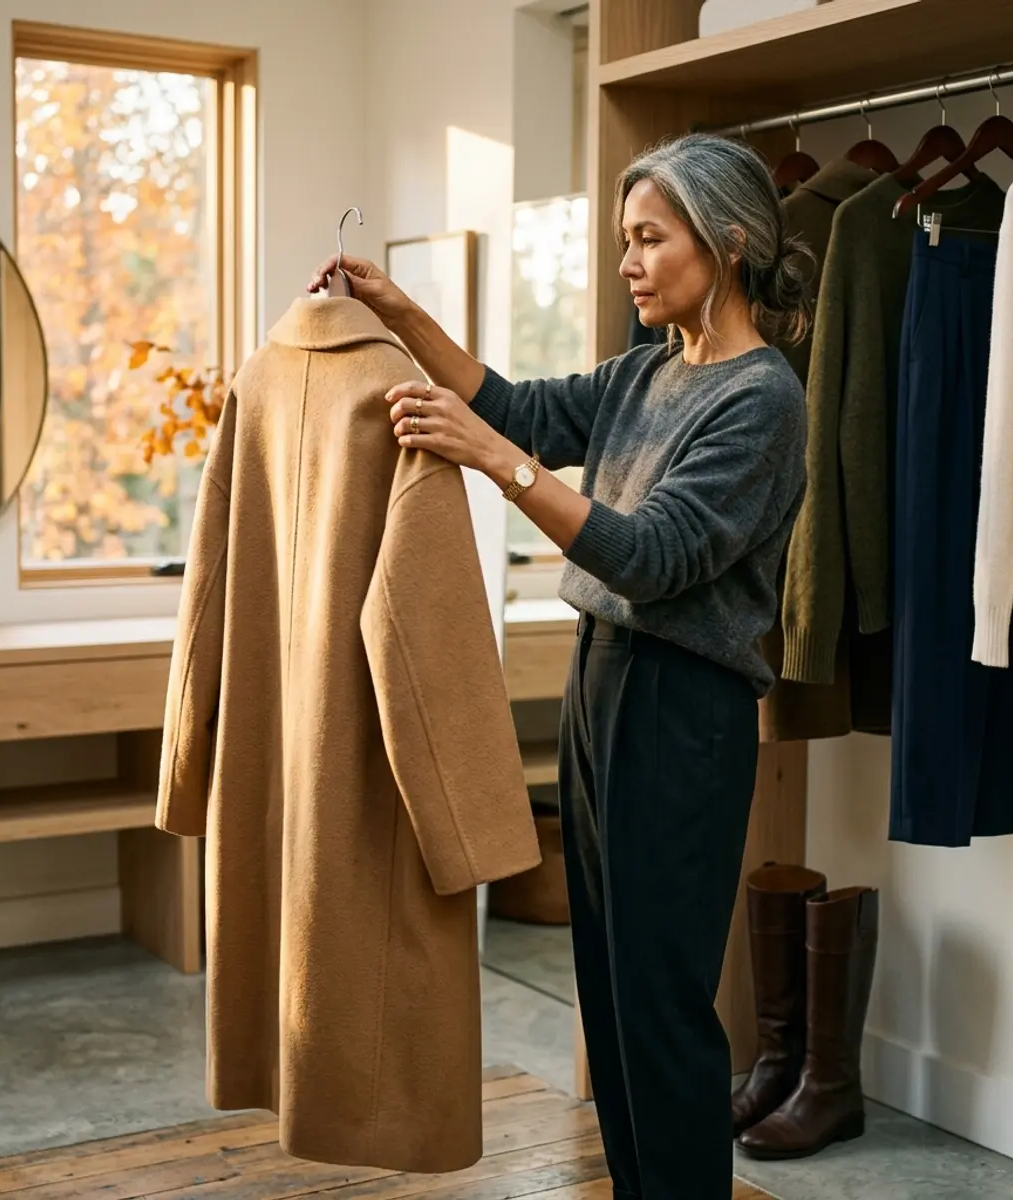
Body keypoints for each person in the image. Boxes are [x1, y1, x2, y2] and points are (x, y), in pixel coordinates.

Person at [308, 131, 810, 1200]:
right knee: (611, 987)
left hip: (684, 707)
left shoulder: (762, 401)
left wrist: (493, 463)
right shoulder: (647, 372)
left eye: (648, 238)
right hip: (605, 679)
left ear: (724, 246)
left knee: (663, 1001)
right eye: (625, 238)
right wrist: (398, 314)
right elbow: (521, 407)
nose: (628, 261)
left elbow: (654, 554)